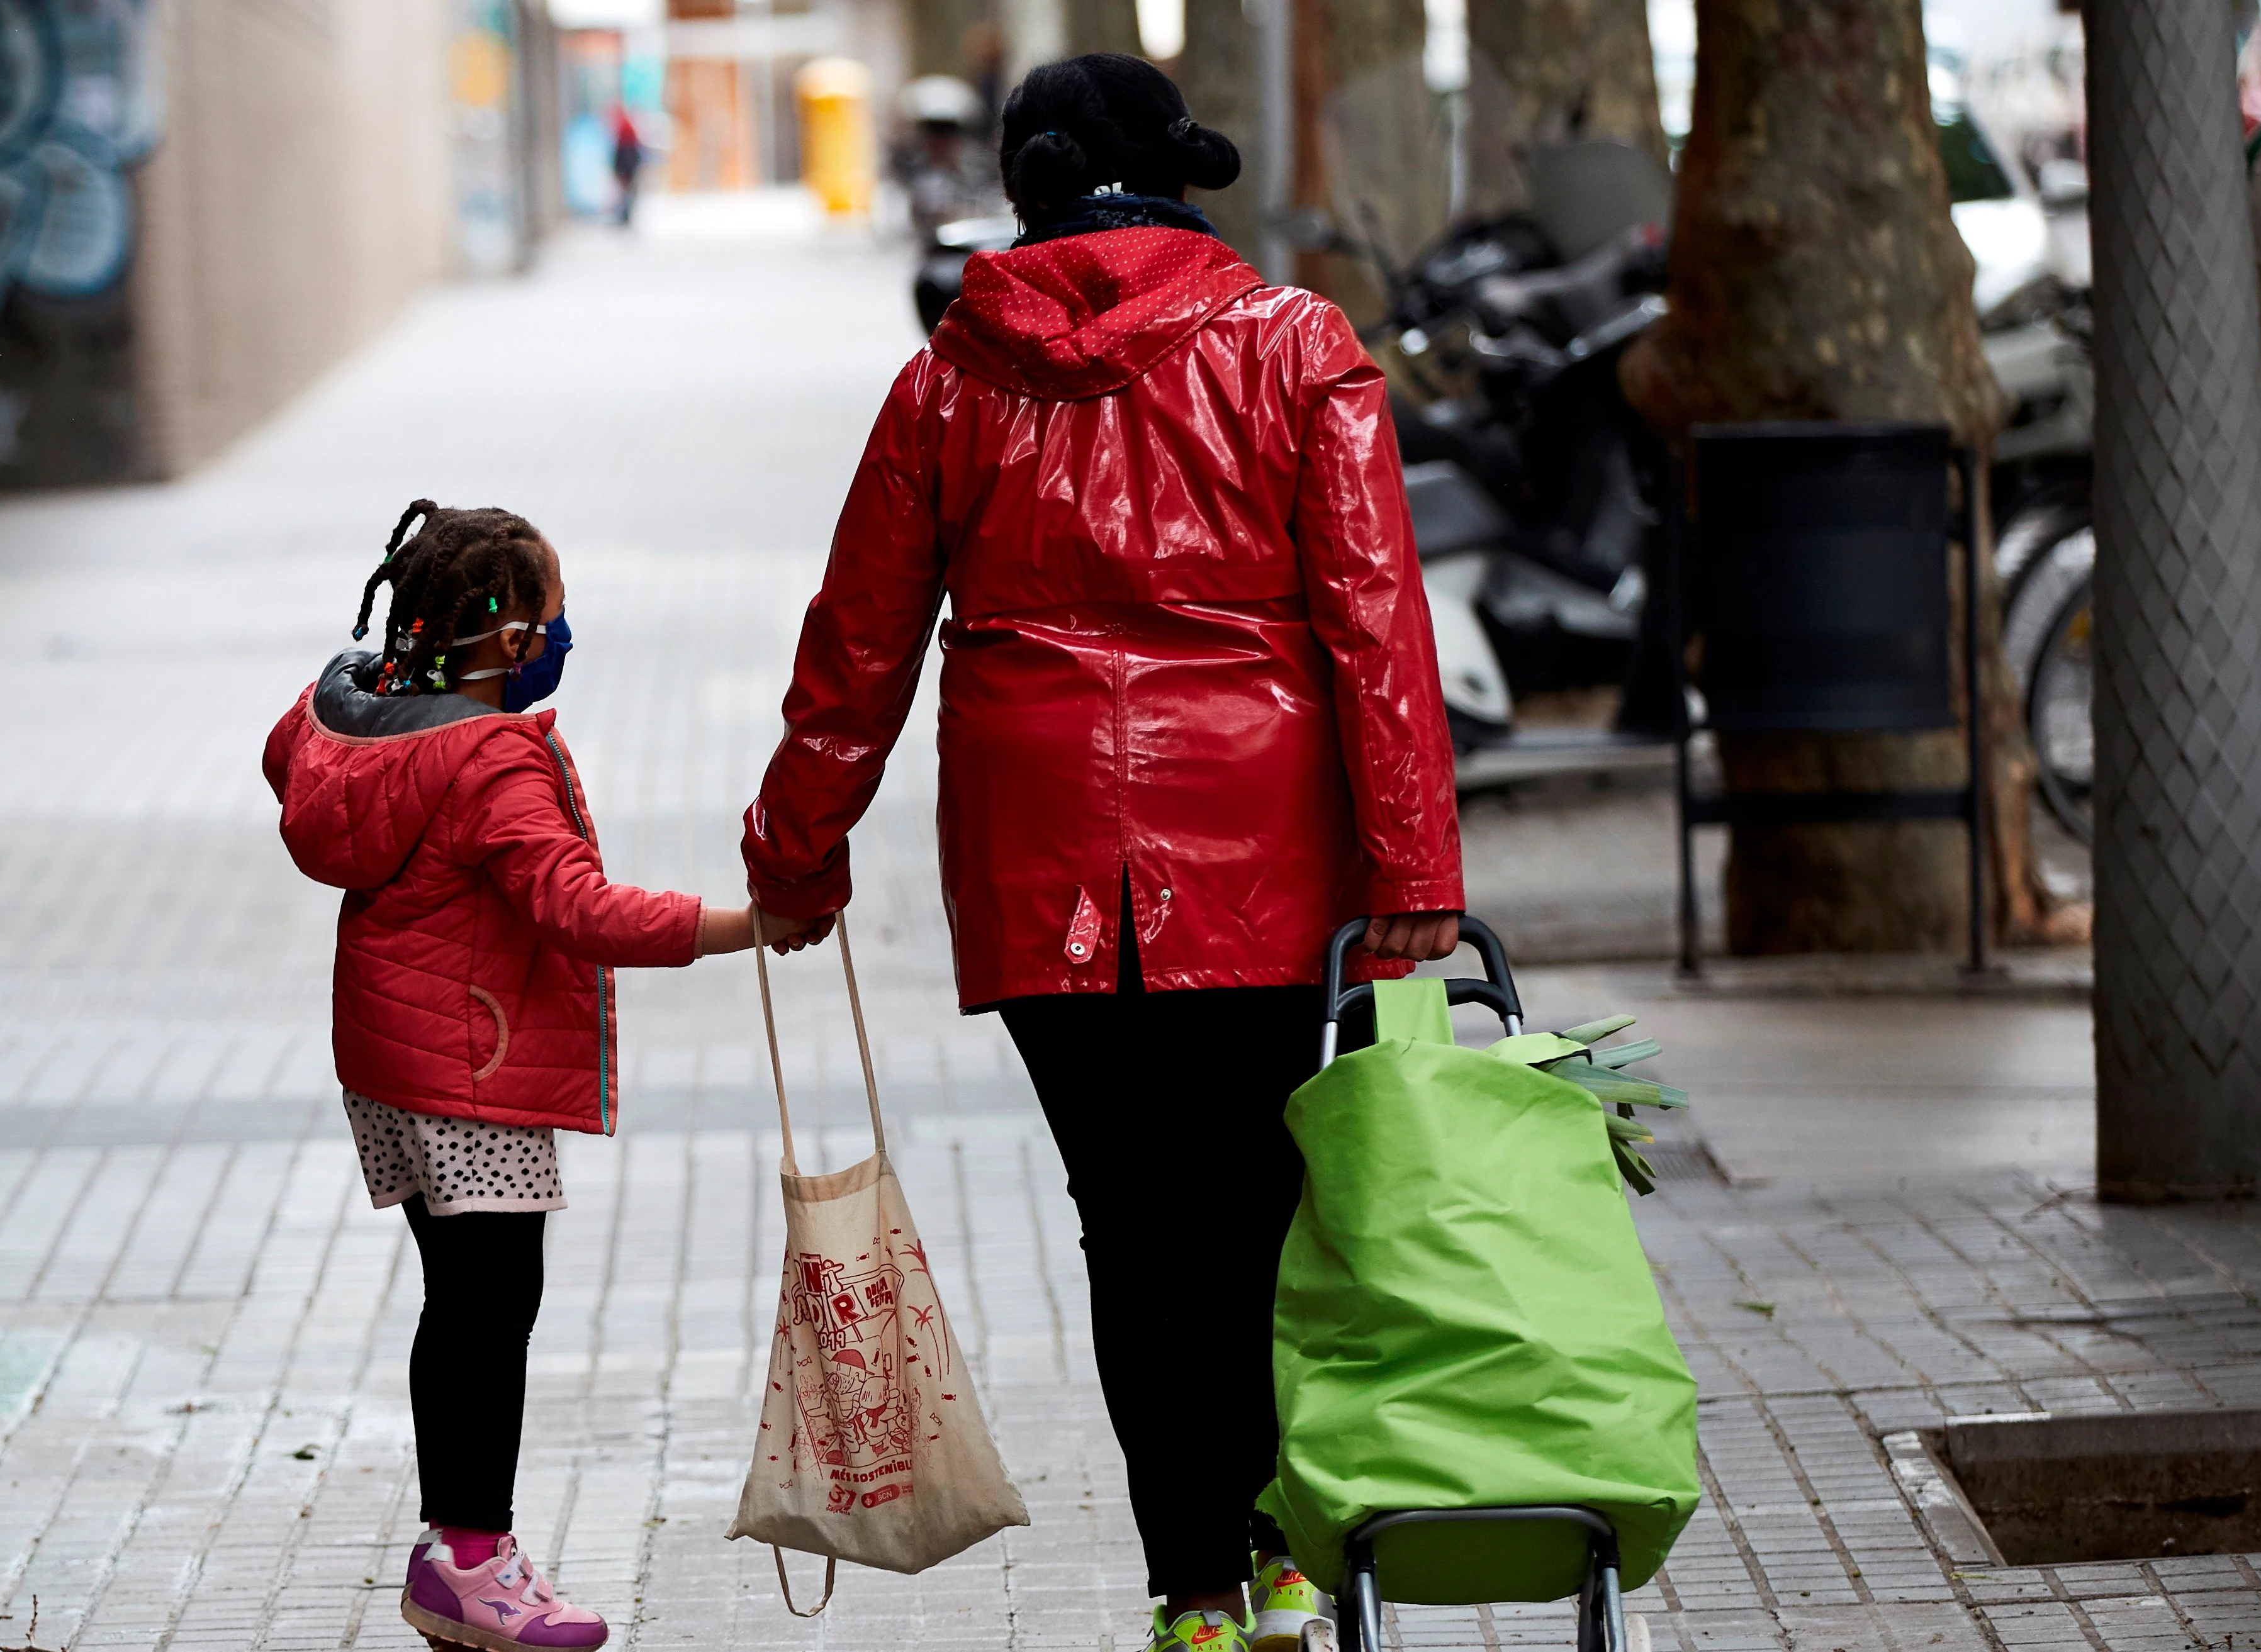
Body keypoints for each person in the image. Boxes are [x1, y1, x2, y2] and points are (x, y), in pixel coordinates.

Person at [738, 54, 1464, 1652]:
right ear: (1179, 172)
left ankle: (1194, 1586)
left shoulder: (949, 380)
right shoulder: (1296, 347)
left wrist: (799, 851)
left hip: (1041, 847)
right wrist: (1415, 872)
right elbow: (1375, 622)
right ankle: (1281, 1554)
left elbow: (858, 641)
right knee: (1269, 1200)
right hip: (1265, 846)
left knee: (1130, 1221)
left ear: (1025, 185)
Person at [264, 500, 812, 1652]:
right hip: (471, 1065)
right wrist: (746, 924)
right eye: (554, 617)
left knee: (459, 1297)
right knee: (490, 1306)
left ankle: (452, 1551)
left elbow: (290, 755)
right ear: (511, 641)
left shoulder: (359, 723)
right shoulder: (490, 757)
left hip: (390, 1059)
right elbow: (577, 907)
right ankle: (473, 1556)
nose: (565, 636)